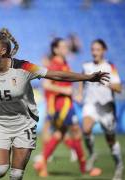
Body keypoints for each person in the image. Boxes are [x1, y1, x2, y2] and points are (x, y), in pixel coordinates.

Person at [0, 28, 109, 180]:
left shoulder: (24, 68)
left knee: (16, 176)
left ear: (3, 50)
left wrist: (87, 77)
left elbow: (55, 74)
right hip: (0, 125)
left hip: (24, 125)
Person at [33, 38, 93, 177]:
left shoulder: (64, 63)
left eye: (66, 46)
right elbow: (47, 85)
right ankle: (84, 169)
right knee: (75, 133)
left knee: (59, 134)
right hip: (61, 106)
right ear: (56, 50)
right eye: (63, 46)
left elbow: (69, 82)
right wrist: (65, 91)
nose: (66, 48)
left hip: (66, 104)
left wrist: (76, 93)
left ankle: (42, 163)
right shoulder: (54, 65)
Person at [78, 39, 123, 180]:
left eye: (97, 49)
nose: (94, 52)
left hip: (106, 108)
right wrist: (79, 93)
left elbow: (118, 88)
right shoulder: (86, 66)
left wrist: (105, 82)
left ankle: (119, 166)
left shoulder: (110, 66)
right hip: (90, 104)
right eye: (93, 49)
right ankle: (92, 154)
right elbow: (81, 79)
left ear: (104, 50)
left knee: (111, 140)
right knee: (85, 129)